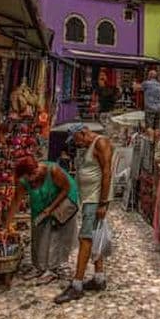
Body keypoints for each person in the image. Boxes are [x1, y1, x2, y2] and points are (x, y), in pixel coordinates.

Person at [55, 123, 113, 303]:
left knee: (85, 238)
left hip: (95, 199)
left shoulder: (100, 143)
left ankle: (77, 284)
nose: (76, 143)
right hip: (89, 198)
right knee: (94, 236)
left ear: (82, 133)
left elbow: (107, 172)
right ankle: (99, 278)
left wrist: (103, 203)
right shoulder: (89, 146)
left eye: (76, 139)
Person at [5, 155, 79, 285]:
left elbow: (66, 189)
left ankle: (52, 268)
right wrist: (7, 224)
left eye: (31, 175)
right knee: (38, 229)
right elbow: (16, 201)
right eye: (26, 177)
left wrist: (50, 208)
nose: (30, 179)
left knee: (55, 233)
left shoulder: (53, 171)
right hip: (42, 201)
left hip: (63, 198)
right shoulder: (25, 181)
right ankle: (39, 266)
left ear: (35, 170)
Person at [137, 70, 160, 141]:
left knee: (149, 126)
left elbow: (138, 88)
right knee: (157, 126)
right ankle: (156, 143)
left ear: (149, 75)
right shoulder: (158, 84)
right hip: (158, 108)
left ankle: (151, 141)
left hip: (150, 107)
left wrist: (134, 84)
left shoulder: (147, 83)